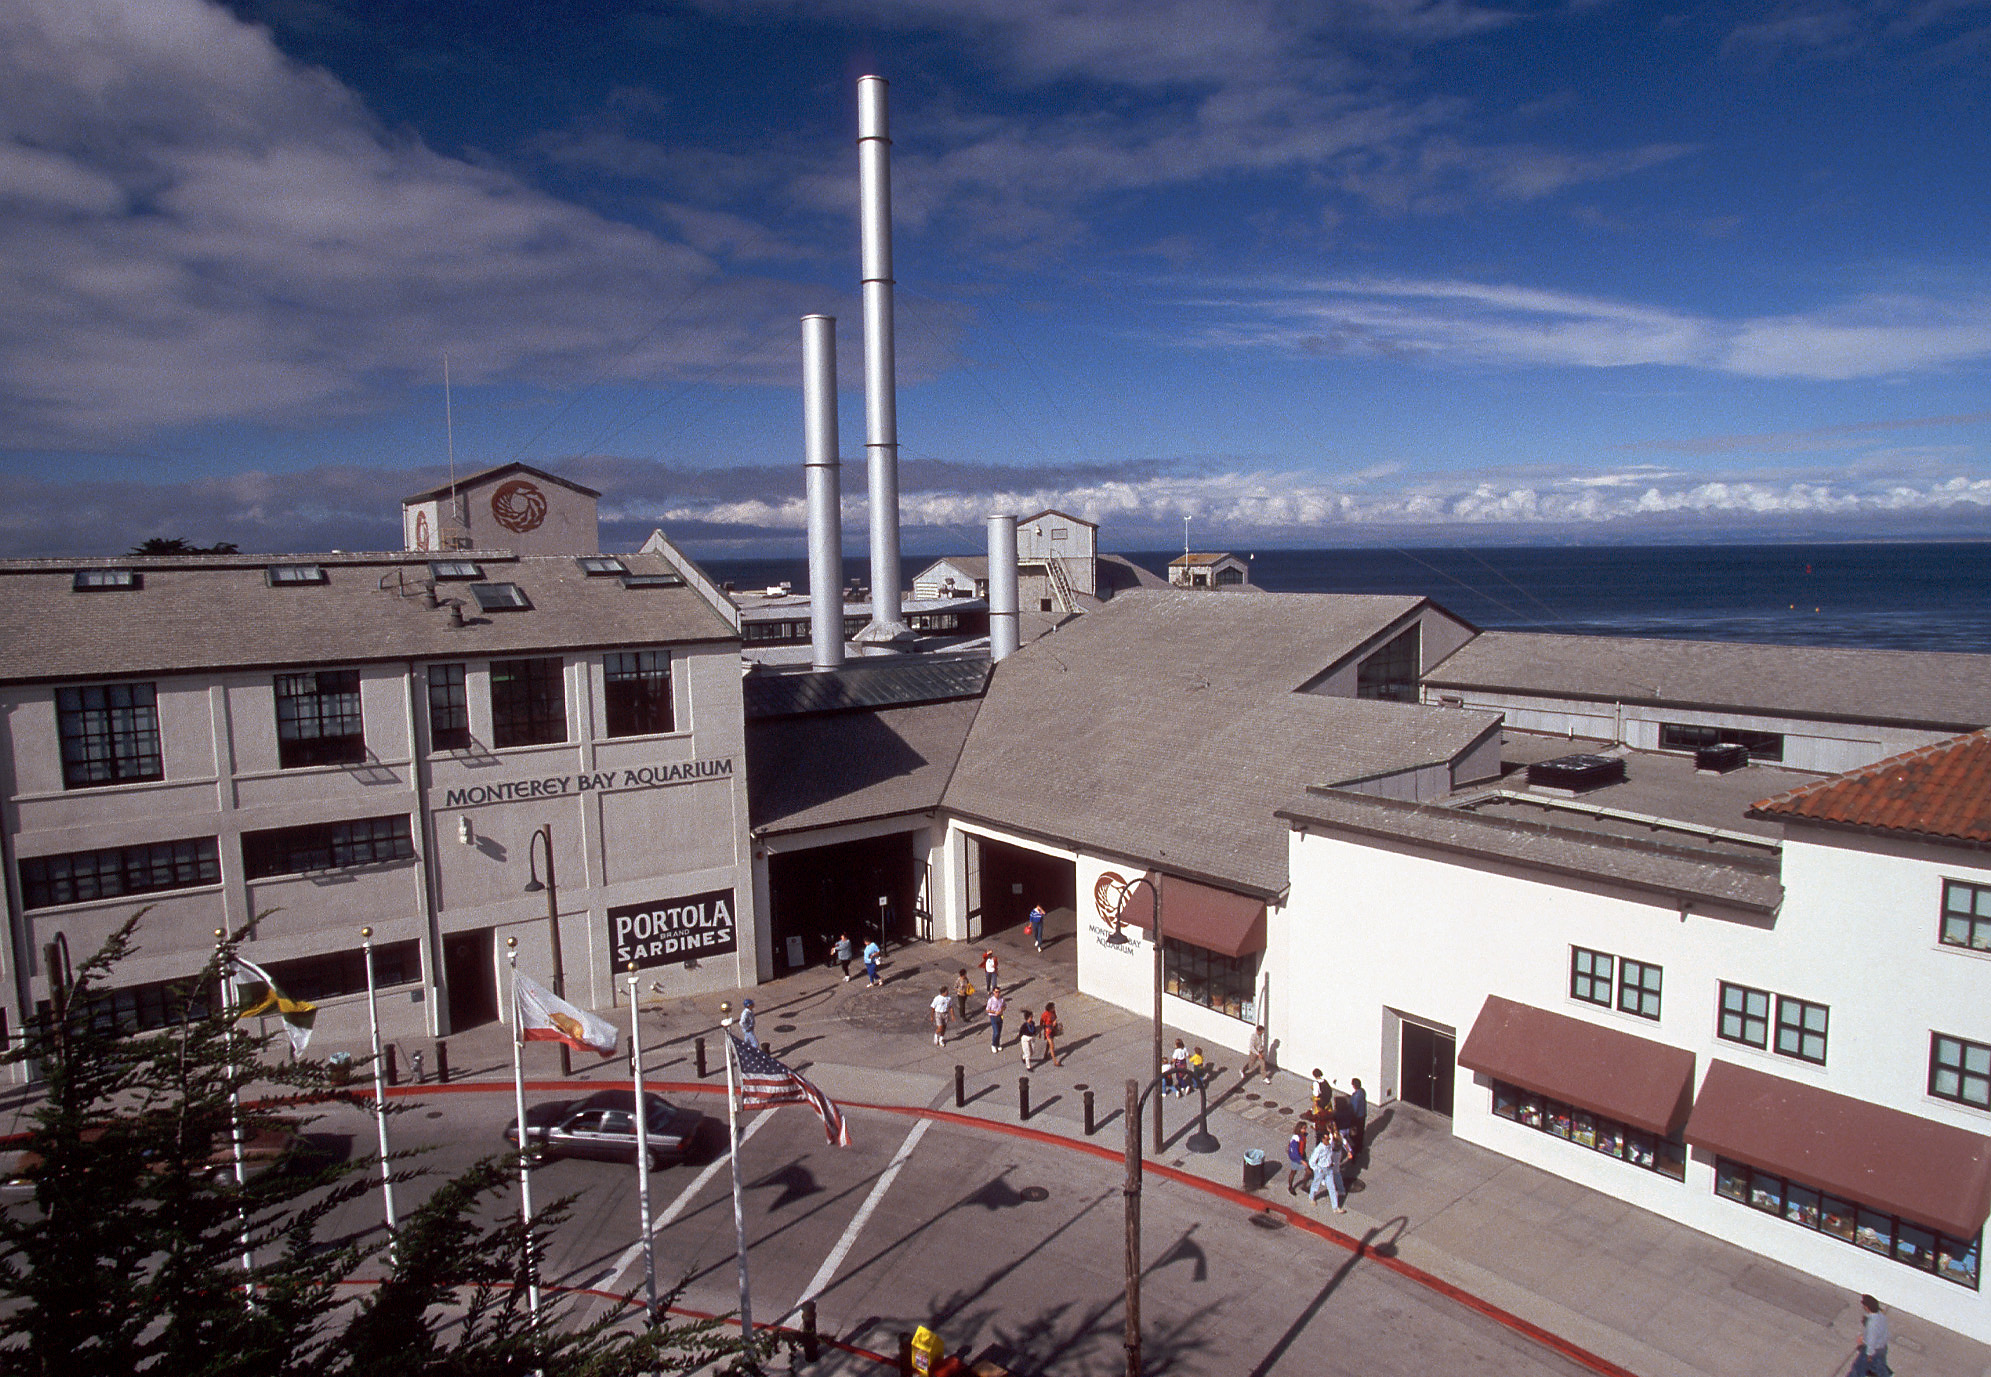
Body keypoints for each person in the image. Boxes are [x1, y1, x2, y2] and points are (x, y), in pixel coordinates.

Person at [1852, 1294, 1891, 1377]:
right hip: (1882, 1347)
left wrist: (1869, 1355)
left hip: (1873, 1350)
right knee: (1879, 1367)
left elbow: (1871, 1341)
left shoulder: (1872, 1324)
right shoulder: (1881, 1315)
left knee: (1859, 1368)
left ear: (1867, 1307)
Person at [1284, 1121, 1310, 1195]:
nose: (1305, 1130)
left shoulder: (1302, 1136)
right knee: (1293, 1172)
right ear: (1299, 1129)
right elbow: (1294, 1152)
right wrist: (1302, 1161)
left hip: (1302, 1156)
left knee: (1308, 1171)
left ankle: (1304, 1185)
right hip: (1297, 1159)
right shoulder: (1295, 1139)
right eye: (1304, 1129)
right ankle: (1290, 1186)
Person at [1040, 1001, 1064, 1066]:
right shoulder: (1044, 1014)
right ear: (1050, 1008)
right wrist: (1040, 1032)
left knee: (1048, 1044)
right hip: (1048, 1031)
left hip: (1052, 1030)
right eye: (1053, 1007)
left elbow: (1055, 1018)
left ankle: (1045, 1055)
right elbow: (1041, 1023)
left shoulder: (1053, 1012)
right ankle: (1055, 1061)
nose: (1054, 1008)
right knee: (1052, 1045)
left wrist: (1055, 1022)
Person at [1348, 1077, 1368, 1156]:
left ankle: (1356, 1148)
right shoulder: (1362, 1092)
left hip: (1357, 1117)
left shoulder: (1356, 1096)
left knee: (1353, 1134)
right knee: (1360, 1131)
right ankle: (1359, 1146)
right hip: (1362, 1114)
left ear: (1354, 1086)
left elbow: (1354, 1109)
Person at [985, 987, 1007, 1054]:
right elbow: (987, 1009)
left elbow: (1005, 1006)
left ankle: (998, 1043)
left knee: (999, 1031)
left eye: (999, 992)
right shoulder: (991, 1000)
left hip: (1000, 1016)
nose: (997, 993)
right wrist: (994, 1012)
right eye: (996, 992)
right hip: (993, 1017)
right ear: (993, 992)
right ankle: (993, 1044)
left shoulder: (1001, 999)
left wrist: (1001, 1010)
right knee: (996, 1031)